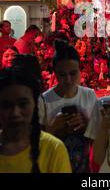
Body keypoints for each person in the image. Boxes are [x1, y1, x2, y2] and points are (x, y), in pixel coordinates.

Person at [0, 65, 72, 173]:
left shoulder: (53, 149)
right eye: (6, 105)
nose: (15, 113)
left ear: (35, 104)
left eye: (23, 104)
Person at [40, 40, 97, 173]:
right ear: (54, 72)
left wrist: (86, 124)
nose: (68, 80)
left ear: (80, 70)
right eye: (62, 75)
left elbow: (98, 138)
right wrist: (53, 127)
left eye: (73, 73)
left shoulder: (89, 95)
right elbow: (37, 145)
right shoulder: (44, 100)